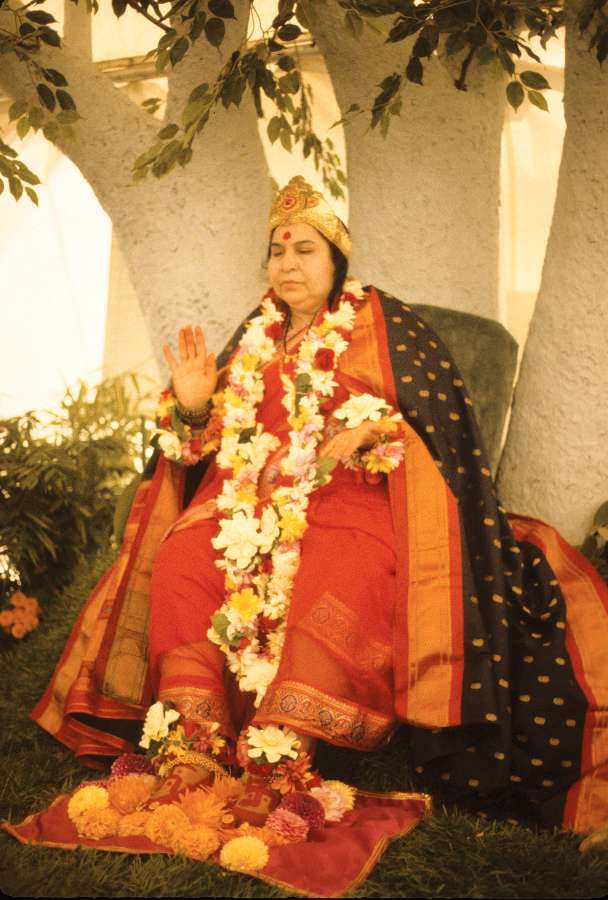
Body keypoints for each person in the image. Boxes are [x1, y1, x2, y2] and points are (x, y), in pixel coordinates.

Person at [28, 176, 608, 843]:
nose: (287, 265)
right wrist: (192, 403)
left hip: (355, 493)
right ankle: (191, 742)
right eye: (278, 252)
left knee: (333, 551)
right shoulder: (254, 336)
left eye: (305, 250)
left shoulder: (382, 324)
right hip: (248, 504)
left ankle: (283, 750)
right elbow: (201, 449)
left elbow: (441, 427)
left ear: (336, 262)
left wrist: (373, 430)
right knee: (186, 548)